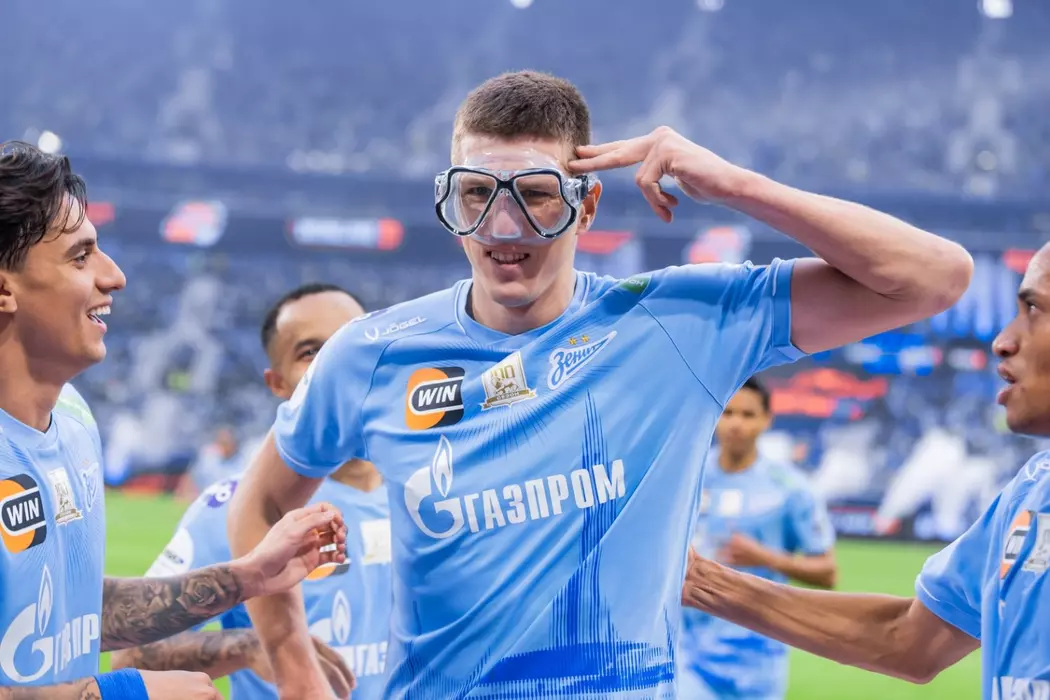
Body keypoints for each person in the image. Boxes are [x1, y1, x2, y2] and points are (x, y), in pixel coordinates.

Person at [227, 70, 974, 698]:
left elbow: (934, 278)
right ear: (451, 206)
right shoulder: (371, 354)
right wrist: (295, 668)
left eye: (535, 194)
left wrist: (735, 186)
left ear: (586, 205)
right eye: (477, 193)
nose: (503, 225)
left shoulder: (677, 324)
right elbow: (259, 502)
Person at [0, 141, 348, 699]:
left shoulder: (74, 419)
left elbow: (80, 607)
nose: (115, 276)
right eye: (80, 257)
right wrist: (125, 694)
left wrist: (247, 577)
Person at [681, 241, 1050, 699]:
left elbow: (827, 571)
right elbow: (907, 639)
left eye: (1034, 309)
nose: (1003, 341)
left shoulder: (789, 487)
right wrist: (699, 580)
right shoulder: (1030, 492)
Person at [111, 283, 393, 700]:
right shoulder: (233, 510)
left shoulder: (428, 489)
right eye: (311, 352)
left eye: (349, 343)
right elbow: (129, 657)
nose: (336, 365)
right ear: (277, 382)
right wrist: (247, 645)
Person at [678, 377, 836, 700]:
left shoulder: (789, 488)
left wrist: (765, 557)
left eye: (748, 415)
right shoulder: (687, 476)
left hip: (758, 657)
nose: (736, 424)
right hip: (687, 653)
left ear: (766, 420)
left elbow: (827, 572)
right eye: (728, 413)